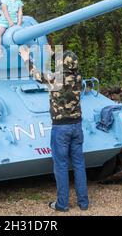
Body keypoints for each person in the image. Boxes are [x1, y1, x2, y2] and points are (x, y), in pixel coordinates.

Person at [19, 46, 90, 212]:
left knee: (61, 165)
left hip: (61, 128)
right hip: (77, 126)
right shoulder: (78, 77)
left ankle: (62, 204)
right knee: (79, 164)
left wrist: (26, 58)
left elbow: (35, 74)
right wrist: (54, 54)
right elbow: (64, 68)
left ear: (60, 65)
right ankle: (83, 203)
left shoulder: (54, 79)